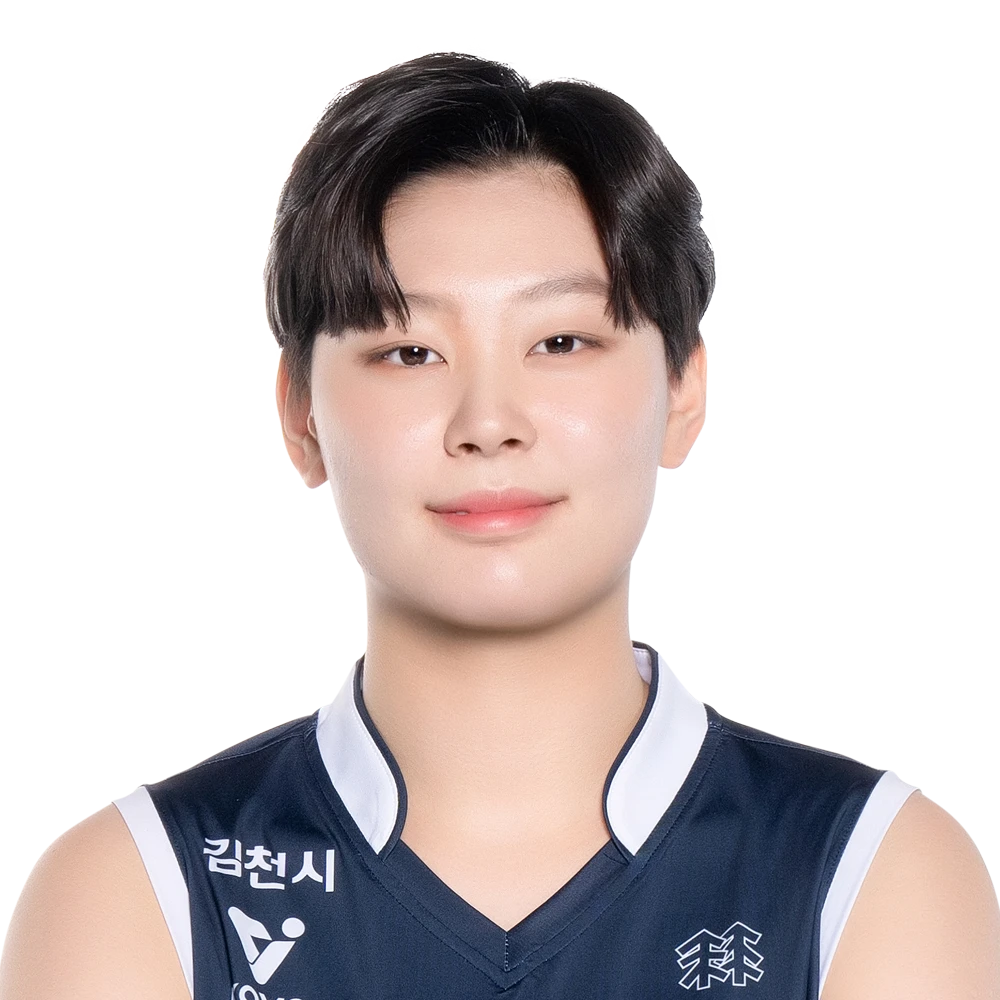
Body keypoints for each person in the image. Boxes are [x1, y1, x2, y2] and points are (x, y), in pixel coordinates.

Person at [2, 48, 998, 1000]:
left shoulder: (867, 869)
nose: (488, 422)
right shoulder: (145, 888)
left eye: (560, 341)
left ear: (683, 391)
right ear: (300, 415)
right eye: (409, 352)